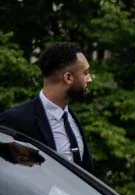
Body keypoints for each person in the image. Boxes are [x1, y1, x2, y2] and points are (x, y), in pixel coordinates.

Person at [0, 42, 94, 171]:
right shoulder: (15, 121)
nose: (89, 79)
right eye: (85, 73)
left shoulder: (71, 118)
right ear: (68, 78)